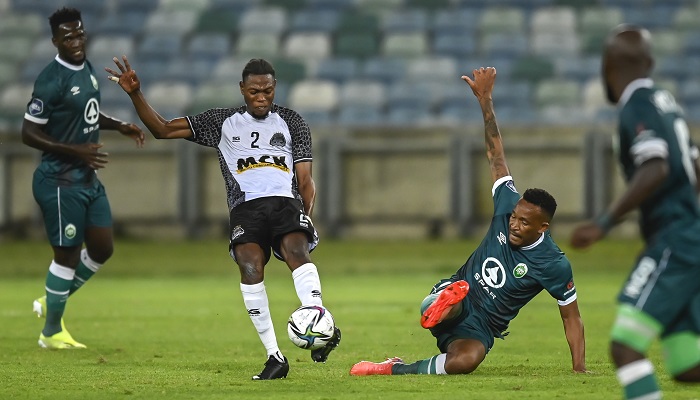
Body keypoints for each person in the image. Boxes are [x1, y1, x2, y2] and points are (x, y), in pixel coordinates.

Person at [105, 56, 341, 380]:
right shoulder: (221, 121)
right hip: (246, 207)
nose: (262, 97)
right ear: (242, 89)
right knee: (249, 264)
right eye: (255, 91)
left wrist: (306, 214)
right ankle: (275, 356)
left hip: (286, 203)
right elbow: (161, 129)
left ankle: (319, 321)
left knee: (297, 251)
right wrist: (135, 94)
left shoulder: (293, 121)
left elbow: (305, 180)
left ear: (275, 90)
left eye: (268, 91)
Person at [350, 67, 587, 376]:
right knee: (440, 306)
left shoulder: (554, 264)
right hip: (462, 297)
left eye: (524, 223)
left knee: (465, 361)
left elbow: (571, 317)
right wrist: (485, 102)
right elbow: (496, 155)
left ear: (543, 227)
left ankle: (394, 368)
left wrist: (579, 370)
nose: (514, 224)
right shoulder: (506, 203)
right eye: (514, 217)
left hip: (482, 326)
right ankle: (445, 298)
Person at [571, 25, 700, 399]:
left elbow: (656, 166)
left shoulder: (638, 106)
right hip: (688, 236)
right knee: (687, 364)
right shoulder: (666, 102)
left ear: (606, 65)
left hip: (674, 241)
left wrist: (603, 223)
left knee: (625, 345)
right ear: (650, 62)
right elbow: (693, 164)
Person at [22, 7, 145, 349]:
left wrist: (117, 124)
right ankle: (51, 331)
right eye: (68, 37)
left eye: (79, 34)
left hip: (86, 178)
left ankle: (52, 298)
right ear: (55, 41)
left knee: (103, 248)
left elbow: (87, 113)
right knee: (67, 256)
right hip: (59, 180)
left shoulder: (87, 69)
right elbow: (28, 133)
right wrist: (76, 150)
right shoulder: (51, 79)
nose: (76, 41)